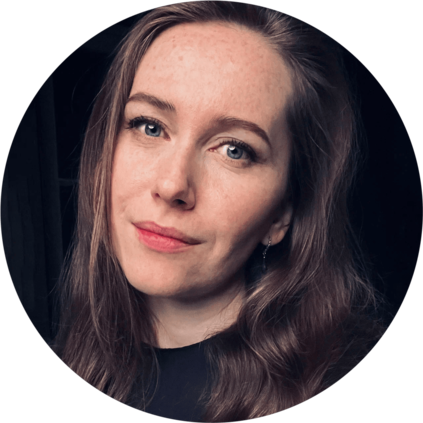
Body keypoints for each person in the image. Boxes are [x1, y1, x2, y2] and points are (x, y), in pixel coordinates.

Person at [51, 2, 388, 421]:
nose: (172, 185)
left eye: (234, 150)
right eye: (150, 126)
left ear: (283, 211)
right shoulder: (72, 355)